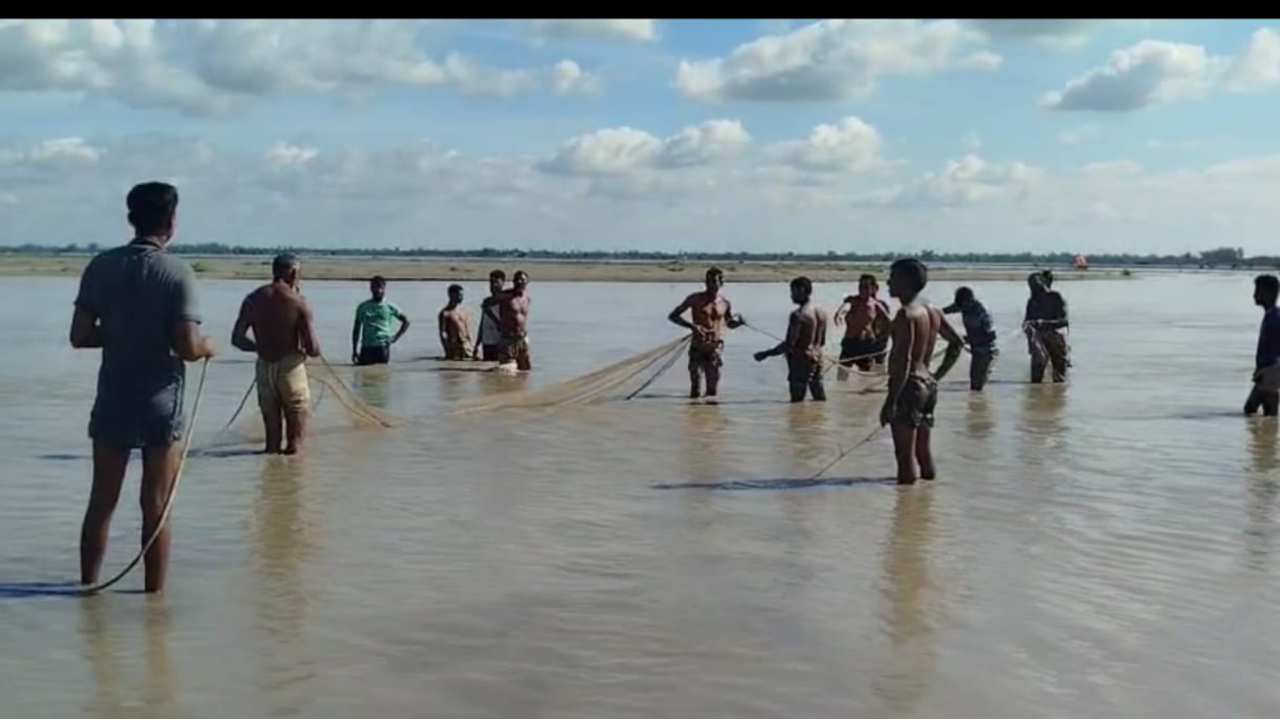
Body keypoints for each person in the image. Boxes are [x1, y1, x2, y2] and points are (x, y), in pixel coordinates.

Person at [69, 181, 216, 593]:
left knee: (101, 502)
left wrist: (120, 332)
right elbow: (187, 346)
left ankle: (87, 590)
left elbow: (80, 335)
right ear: (171, 221)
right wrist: (206, 347)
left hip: (113, 399)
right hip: (160, 405)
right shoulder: (177, 272)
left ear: (131, 219)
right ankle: (153, 602)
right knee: (156, 505)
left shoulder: (100, 266)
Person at [880, 258, 964, 485]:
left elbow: (904, 362)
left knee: (904, 457)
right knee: (923, 454)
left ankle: (906, 514)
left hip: (908, 388)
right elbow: (957, 343)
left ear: (906, 282)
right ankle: (927, 504)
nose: (888, 282)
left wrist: (890, 401)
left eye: (893, 277)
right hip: (928, 386)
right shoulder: (933, 310)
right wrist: (936, 375)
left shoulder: (906, 314)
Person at [230, 254, 321, 455]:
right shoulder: (298, 301)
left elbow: (237, 339)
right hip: (291, 369)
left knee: (271, 445)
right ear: (294, 273)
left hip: (264, 369)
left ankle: (271, 480)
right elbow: (313, 348)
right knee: (294, 445)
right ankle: (292, 482)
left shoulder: (253, 298)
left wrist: (260, 347)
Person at [667, 267, 746, 399]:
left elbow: (729, 324)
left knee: (712, 391)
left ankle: (710, 417)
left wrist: (739, 323)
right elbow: (673, 316)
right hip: (698, 346)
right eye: (709, 281)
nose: (711, 285)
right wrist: (692, 326)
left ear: (721, 283)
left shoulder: (725, 303)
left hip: (715, 347)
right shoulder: (695, 299)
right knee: (695, 390)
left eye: (715, 281)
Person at [753, 276, 829, 402]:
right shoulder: (821, 312)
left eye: (793, 291)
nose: (791, 296)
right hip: (818, 358)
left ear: (802, 290)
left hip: (801, 361)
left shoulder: (798, 315)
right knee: (819, 399)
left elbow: (789, 344)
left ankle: (798, 422)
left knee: (796, 402)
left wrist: (766, 353)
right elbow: (822, 342)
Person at [943, 286, 999, 392]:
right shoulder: (962, 305)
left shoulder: (982, 311)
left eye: (963, 305)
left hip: (987, 351)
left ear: (970, 300)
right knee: (973, 381)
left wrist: (968, 339)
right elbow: (946, 310)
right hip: (976, 350)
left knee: (977, 385)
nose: (962, 309)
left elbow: (991, 335)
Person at [834, 274, 892, 374]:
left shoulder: (876, 304)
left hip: (867, 345)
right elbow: (845, 307)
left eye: (866, 287)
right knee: (842, 373)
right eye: (860, 287)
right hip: (850, 343)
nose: (862, 290)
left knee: (866, 375)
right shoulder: (852, 300)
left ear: (873, 288)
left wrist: (883, 339)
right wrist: (839, 313)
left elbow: (889, 323)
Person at [1023, 271, 1070, 383]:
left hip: (1055, 337)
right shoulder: (1032, 301)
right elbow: (1026, 321)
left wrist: (1044, 323)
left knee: (1059, 378)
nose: (1034, 289)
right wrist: (1028, 326)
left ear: (1043, 283)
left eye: (1036, 285)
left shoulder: (1055, 297)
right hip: (1038, 339)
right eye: (1031, 286)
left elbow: (1064, 321)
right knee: (1036, 377)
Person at [351, 275, 410, 366]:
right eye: (374, 287)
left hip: (382, 347)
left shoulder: (389, 306)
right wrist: (354, 350)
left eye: (379, 287)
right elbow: (356, 329)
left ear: (384, 288)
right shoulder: (363, 307)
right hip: (366, 347)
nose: (377, 290)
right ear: (371, 289)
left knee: (381, 373)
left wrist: (395, 338)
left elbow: (406, 322)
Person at [1245, 274, 1280, 416]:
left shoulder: (1275, 319)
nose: (1254, 295)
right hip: (1266, 371)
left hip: (1270, 371)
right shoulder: (1271, 316)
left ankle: (1271, 436)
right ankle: (1268, 436)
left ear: (1269, 293)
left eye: (1258, 291)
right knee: (1252, 410)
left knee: (1267, 412)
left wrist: (1269, 372)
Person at [486, 270, 532, 371]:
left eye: (522, 280)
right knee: (506, 371)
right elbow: (485, 305)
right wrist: (497, 322)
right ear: (513, 281)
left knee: (525, 370)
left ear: (527, 282)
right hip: (508, 339)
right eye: (517, 280)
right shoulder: (505, 296)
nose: (519, 282)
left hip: (522, 338)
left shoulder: (527, 298)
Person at [473, 269, 506, 362]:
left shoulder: (505, 301)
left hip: (499, 342)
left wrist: (489, 313)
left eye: (497, 282)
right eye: (491, 282)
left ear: (503, 283)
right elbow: (482, 324)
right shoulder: (486, 301)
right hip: (487, 342)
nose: (493, 285)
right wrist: (477, 344)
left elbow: (505, 324)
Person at [438, 284, 473, 361]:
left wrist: (472, 345)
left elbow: (467, 329)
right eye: (459, 295)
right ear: (451, 295)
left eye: (462, 295)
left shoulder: (464, 311)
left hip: (466, 345)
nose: (461, 298)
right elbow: (443, 333)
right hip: (454, 346)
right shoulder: (445, 313)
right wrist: (447, 349)